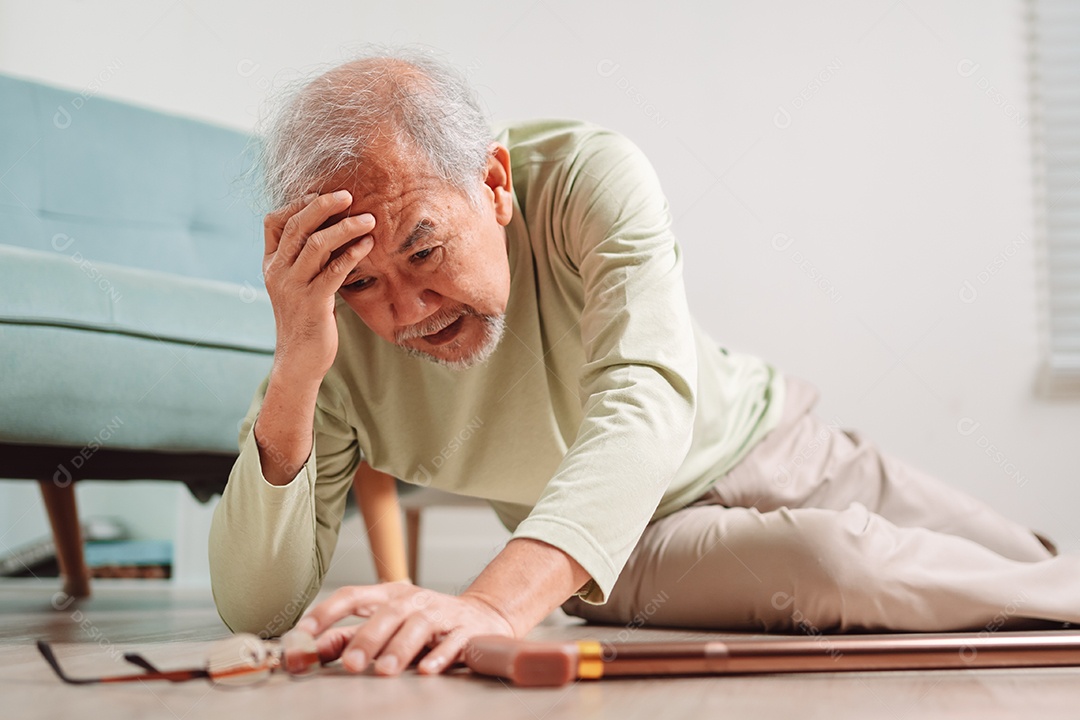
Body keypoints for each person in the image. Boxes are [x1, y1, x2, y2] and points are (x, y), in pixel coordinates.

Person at [209, 49, 1076, 678]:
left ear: (496, 183)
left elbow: (645, 395)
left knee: (1033, 567)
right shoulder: (329, 331)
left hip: (775, 439)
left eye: (426, 252)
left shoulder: (588, 176)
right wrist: (296, 367)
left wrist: (488, 604)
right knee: (841, 565)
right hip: (627, 548)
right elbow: (258, 607)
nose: (403, 311)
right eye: (363, 280)